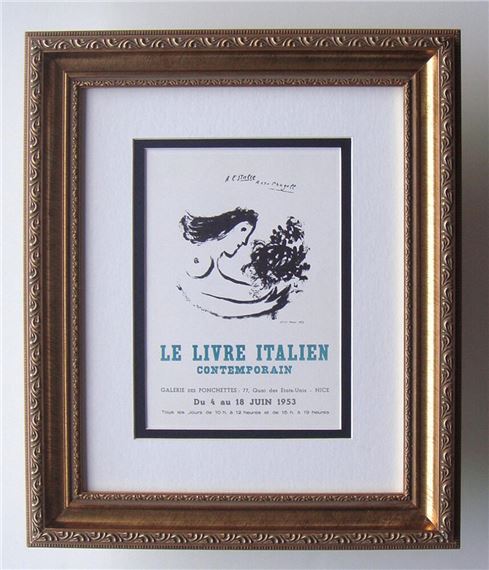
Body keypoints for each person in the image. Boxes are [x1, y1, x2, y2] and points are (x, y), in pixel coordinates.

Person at [177, 208, 290, 318]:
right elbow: (210, 301)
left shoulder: (215, 259)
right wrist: (264, 305)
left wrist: (265, 295)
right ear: (225, 229)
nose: (244, 241)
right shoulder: (200, 259)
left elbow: (227, 289)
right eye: (243, 230)